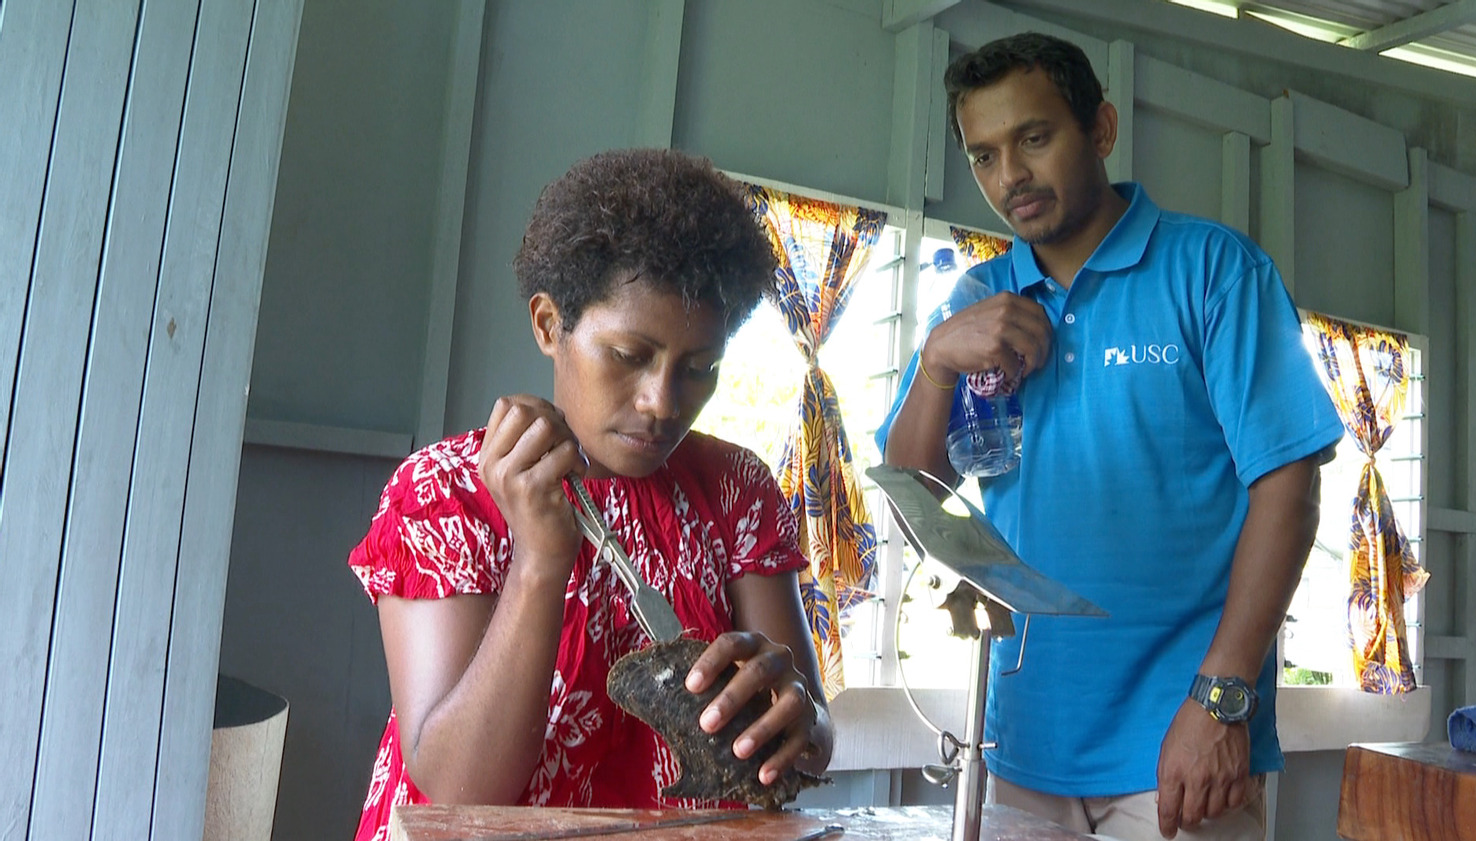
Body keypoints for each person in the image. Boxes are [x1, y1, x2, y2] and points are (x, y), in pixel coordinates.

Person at [878, 33, 1344, 841]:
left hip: (1181, 746)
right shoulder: (978, 297)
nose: (1010, 176)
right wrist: (934, 364)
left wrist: (1222, 698)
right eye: (984, 155)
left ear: (1100, 129)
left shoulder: (1212, 270)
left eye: (1034, 137)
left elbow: (1289, 488)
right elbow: (920, 509)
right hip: (1018, 744)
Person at [347, 148, 833, 840]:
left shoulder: (734, 491)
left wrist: (804, 721)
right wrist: (542, 559)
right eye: (629, 355)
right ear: (549, 324)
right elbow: (456, 793)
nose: (661, 401)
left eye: (700, 368)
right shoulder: (446, 494)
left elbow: (807, 730)